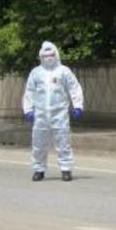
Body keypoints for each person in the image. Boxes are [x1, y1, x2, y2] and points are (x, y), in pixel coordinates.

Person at [22, 41, 84, 182]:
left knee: (63, 142)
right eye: (46, 55)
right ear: (41, 56)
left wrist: (78, 106)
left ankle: (66, 169)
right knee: (38, 143)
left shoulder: (63, 71)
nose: (49, 57)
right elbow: (29, 92)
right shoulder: (36, 73)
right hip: (40, 114)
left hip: (60, 113)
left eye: (51, 54)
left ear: (56, 54)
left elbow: (74, 88)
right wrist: (28, 109)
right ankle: (39, 169)